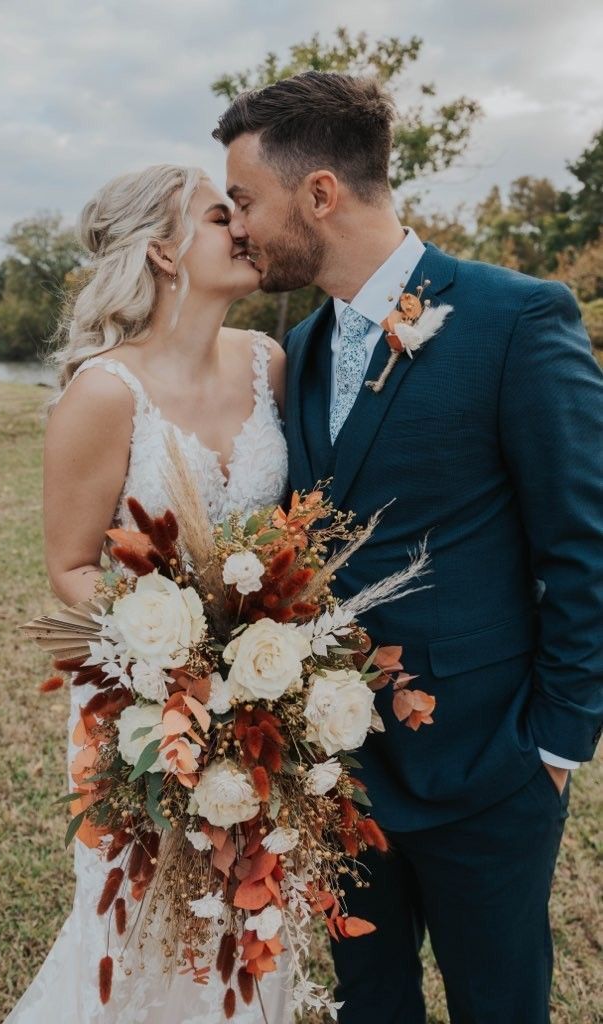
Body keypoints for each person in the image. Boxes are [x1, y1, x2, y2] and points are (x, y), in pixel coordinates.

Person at [213, 71, 603, 1024]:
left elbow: (586, 546)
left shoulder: (514, 318)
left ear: (318, 194)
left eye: (245, 200)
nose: (237, 227)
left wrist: (553, 744)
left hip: (490, 768)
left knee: (498, 1004)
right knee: (369, 1003)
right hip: (341, 773)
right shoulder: (296, 348)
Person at [5, 165, 292, 1023]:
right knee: (141, 919)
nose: (243, 226)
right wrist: (179, 655)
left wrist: (269, 664)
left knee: (249, 905)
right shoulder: (103, 392)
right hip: (138, 701)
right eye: (219, 214)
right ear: (163, 253)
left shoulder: (267, 363)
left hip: (265, 695)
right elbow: (69, 568)